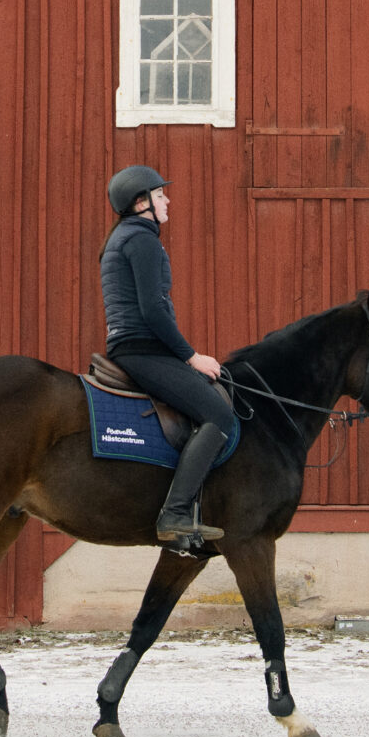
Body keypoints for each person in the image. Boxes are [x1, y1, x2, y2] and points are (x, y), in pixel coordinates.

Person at [99, 165, 239, 552]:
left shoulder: (127, 237)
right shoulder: (141, 239)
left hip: (137, 346)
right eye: (160, 195)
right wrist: (191, 357)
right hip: (141, 348)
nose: (167, 201)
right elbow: (153, 310)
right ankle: (175, 514)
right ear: (140, 203)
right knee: (218, 414)